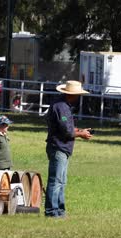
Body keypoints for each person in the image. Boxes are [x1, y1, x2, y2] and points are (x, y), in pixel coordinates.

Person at [45, 80, 93, 218]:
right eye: (78, 94)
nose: (79, 97)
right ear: (72, 94)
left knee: (61, 181)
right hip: (59, 147)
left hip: (61, 147)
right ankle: (52, 212)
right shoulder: (62, 107)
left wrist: (78, 130)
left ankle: (59, 211)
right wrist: (81, 134)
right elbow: (66, 131)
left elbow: (65, 127)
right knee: (56, 181)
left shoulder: (62, 105)